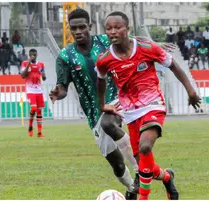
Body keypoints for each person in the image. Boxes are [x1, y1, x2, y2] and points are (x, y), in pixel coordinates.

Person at [96, 11, 201, 200]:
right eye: (109, 28)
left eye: (117, 27)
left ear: (127, 29)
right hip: (130, 112)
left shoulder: (146, 47)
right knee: (145, 166)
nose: (113, 32)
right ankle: (167, 176)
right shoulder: (104, 59)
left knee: (145, 147)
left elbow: (174, 66)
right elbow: (100, 81)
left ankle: (143, 198)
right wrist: (103, 105)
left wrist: (191, 91)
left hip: (153, 105)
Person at [48, 8, 140, 200]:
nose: (78, 31)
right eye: (74, 28)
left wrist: (156, 45)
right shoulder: (65, 56)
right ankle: (132, 188)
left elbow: (132, 42)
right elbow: (63, 86)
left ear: (89, 26)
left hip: (117, 99)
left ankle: (141, 171)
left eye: (82, 27)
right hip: (93, 112)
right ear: (69, 29)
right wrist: (58, 92)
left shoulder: (105, 42)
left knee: (109, 124)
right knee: (116, 163)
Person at [20, 49, 46, 138]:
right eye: (31, 55)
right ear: (29, 55)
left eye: (34, 54)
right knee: (34, 108)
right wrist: (28, 64)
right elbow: (23, 75)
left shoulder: (41, 64)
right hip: (30, 90)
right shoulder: (24, 63)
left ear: (37, 54)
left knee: (39, 111)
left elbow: (44, 77)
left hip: (39, 90)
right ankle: (30, 126)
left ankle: (39, 133)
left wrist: (43, 75)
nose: (33, 56)